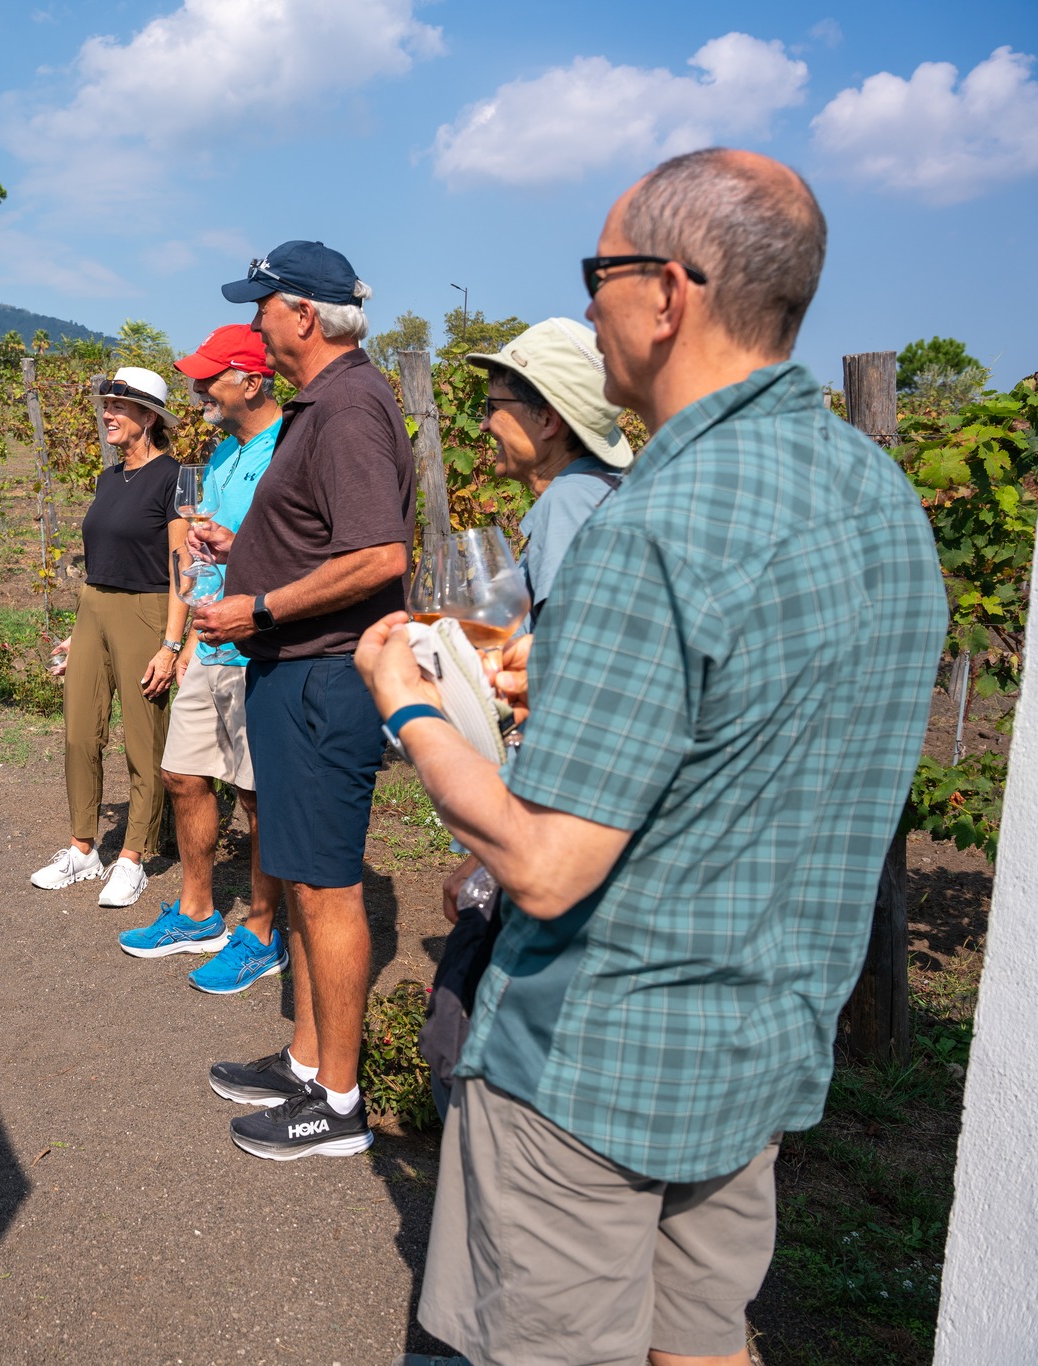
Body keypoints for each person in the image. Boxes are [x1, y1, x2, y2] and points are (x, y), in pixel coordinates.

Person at [358, 149, 945, 1366]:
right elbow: (746, 737)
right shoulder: (875, 495)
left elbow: (545, 865)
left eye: (597, 272)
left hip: (590, 1062)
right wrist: (561, 678)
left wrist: (406, 700)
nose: (586, 305)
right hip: (756, 1050)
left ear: (667, 292)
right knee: (707, 1338)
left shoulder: (653, 526)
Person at [190, 241, 414, 1160]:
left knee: (326, 886)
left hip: (325, 674)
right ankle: (309, 1061)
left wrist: (261, 604)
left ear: (305, 316)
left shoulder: (350, 409)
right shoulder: (326, 406)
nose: (255, 325)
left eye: (264, 308)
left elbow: (379, 557)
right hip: (297, 670)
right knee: (308, 874)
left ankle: (341, 1103)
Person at [424, 316, 634, 1117]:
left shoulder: (567, 507)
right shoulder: (601, 495)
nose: (482, 419)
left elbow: (563, 687)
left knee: (469, 1032)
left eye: (496, 400)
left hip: (553, 823)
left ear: (549, 418)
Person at [113, 326, 288, 994]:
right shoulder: (218, 454)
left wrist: (235, 542)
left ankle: (263, 932)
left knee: (254, 793)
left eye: (210, 378)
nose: (197, 390)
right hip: (208, 642)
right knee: (183, 774)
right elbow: (194, 552)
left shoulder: (288, 453)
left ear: (252, 380)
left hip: (259, 644)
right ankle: (196, 912)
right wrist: (183, 636)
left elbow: (292, 553)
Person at [31, 366, 186, 909]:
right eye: (106, 405)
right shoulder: (107, 477)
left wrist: (171, 644)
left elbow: (182, 566)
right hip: (95, 608)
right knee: (79, 734)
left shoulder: (176, 478)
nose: (108, 414)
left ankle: (134, 857)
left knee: (142, 741)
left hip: (147, 611)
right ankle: (82, 848)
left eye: (120, 406)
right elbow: (101, 561)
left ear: (149, 417)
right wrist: (79, 634)